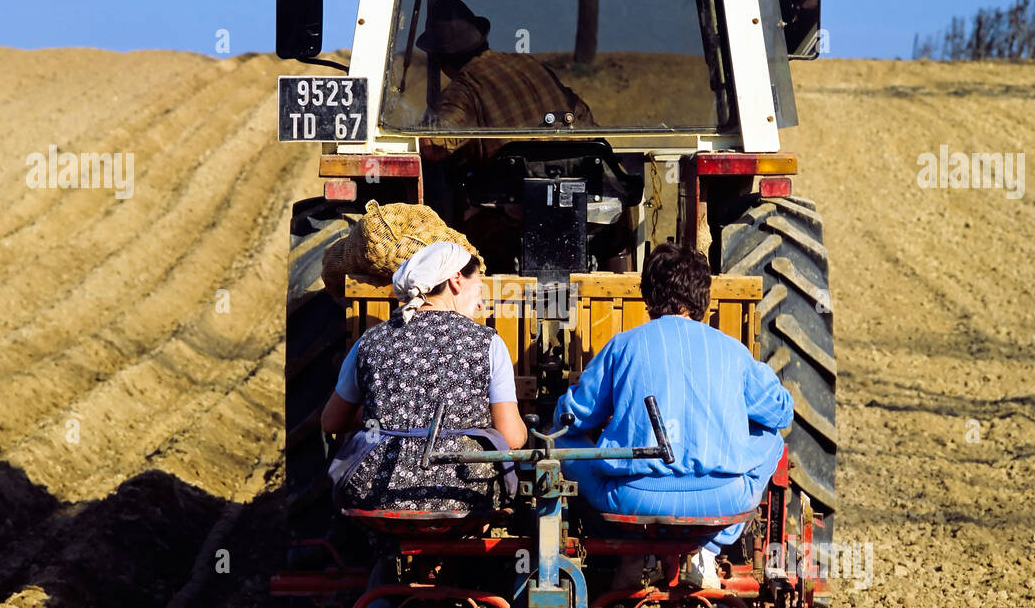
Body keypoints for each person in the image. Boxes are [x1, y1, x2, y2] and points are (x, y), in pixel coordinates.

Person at [552, 241, 794, 583]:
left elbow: (571, 419)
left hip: (633, 499)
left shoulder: (622, 346)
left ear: (648, 296)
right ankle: (708, 551)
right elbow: (781, 415)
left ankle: (630, 554)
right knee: (771, 439)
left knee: (563, 442)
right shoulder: (733, 352)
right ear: (703, 299)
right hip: (723, 503)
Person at [320, 241, 528, 512]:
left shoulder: (370, 340)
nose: (479, 303)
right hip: (464, 494)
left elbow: (331, 421)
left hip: (375, 496)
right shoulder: (488, 342)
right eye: (478, 289)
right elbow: (511, 438)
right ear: (456, 281)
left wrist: (382, 418)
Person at [416, 0, 594, 132]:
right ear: (481, 39)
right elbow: (582, 113)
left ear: (442, 60)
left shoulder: (463, 89)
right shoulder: (529, 63)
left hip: (507, 178)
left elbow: (436, 146)